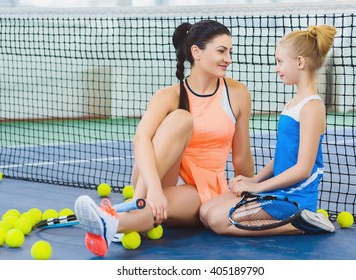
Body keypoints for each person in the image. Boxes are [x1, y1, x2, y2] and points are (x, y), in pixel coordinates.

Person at [74, 19, 254, 256]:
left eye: (230, 51)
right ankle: (134, 207)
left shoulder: (237, 94)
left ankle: (115, 222)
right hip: (152, 180)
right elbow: (141, 139)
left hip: (201, 188)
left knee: (181, 124)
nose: (228, 59)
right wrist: (154, 191)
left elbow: (241, 159)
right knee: (181, 118)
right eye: (221, 51)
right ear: (196, 52)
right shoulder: (167, 95)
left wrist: (252, 187)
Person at [199, 25, 337, 236]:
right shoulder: (293, 103)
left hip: (294, 198)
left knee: (218, 222)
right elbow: (283, 157)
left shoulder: (313, 108)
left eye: (280, 61)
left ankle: (305, 222)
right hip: (276, 191)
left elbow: (302, 169)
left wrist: (258, 188)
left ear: (300, 62)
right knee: (206, 212)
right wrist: (254, 180)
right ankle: (293, 217)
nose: (276, 67)